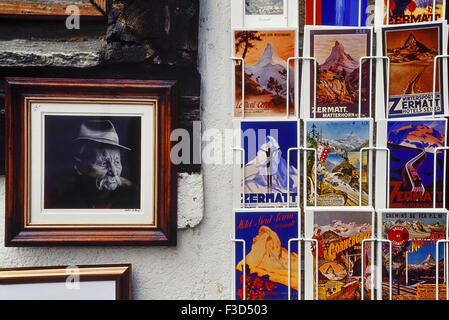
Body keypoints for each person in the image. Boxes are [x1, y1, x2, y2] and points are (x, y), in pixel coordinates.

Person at [45, 120, 140, 209]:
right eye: (103, 163)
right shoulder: (58, 200)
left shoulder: (133, 198)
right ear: (80, 165)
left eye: (116, 162)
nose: (114, 172)